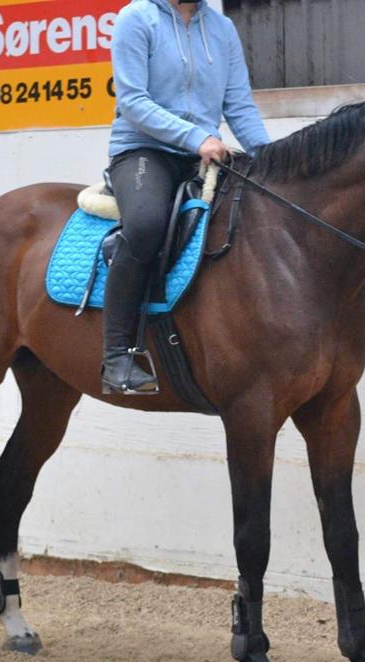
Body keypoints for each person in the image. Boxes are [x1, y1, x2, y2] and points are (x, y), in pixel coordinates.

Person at [102, 0, 270, 394]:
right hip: (143, 150)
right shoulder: (136, 18)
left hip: (203, 152)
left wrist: (273, 160)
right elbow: (132, 101)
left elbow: (240, 105)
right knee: (145, 225)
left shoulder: (223, 29)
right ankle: (116, 356)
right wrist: (197, 138)